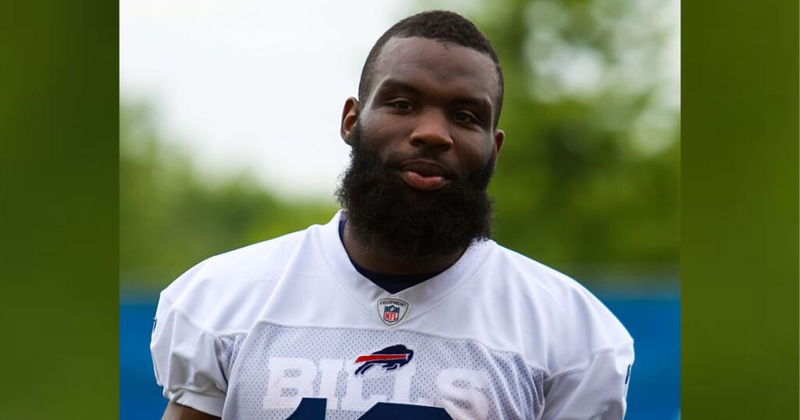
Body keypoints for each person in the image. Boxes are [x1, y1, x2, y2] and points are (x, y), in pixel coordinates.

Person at [151, 10, 634, 420]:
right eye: (402, 104)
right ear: (351, 120)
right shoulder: (224, 298)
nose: (432, 133)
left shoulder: (571, 333)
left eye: (465, 117)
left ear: (495, 147)